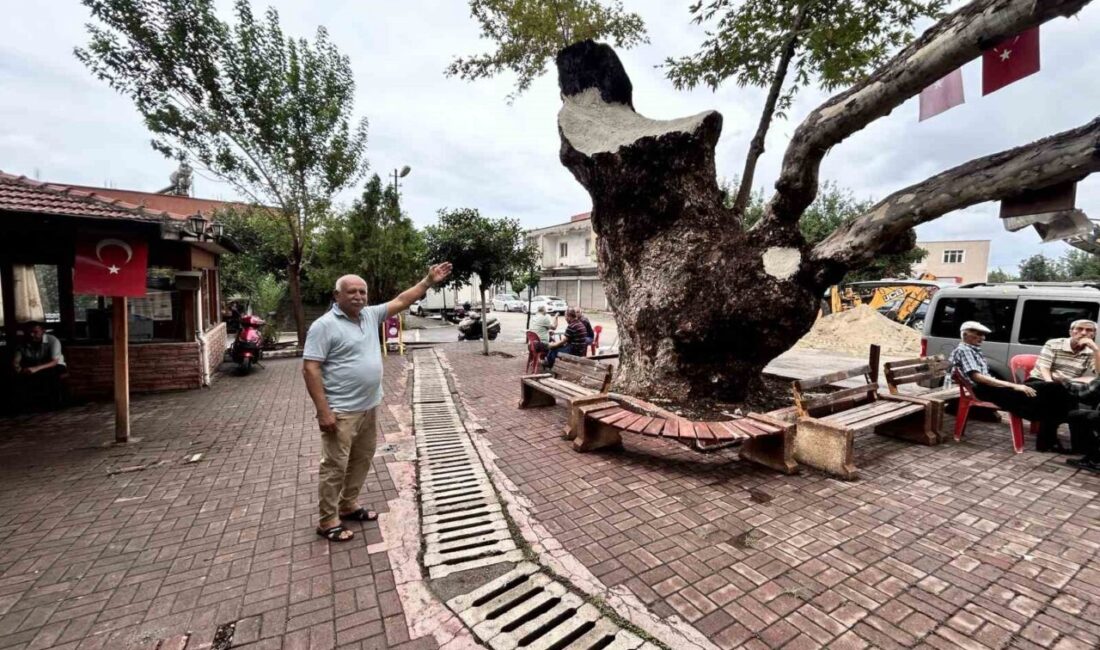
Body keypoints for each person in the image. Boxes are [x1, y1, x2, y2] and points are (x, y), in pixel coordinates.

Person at [303, 263, 452, 542]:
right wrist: (323, 412)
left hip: (369, 406)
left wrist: (428, 281)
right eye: (351, 291)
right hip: (341, 411)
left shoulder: (370, 315)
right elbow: (310, 368)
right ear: (337, 296)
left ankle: (348, 505)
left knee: (361, 459)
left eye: (362, 292)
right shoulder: (324, 326)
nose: (358, 296)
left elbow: (402, 300)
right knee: (335, 466)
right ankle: (327, 520)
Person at [949, 320, 1075, 450]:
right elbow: (978, 377)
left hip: (990, 388)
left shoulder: (972, 349)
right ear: (965, 334)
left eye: (983, 335)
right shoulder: (964, 350)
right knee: (1054, 390)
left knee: (1052, 395)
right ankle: (1052, 437)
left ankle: (1047, 439)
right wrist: (1014, 386)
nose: (983, 338)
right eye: (979, 334)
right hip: (984, 390)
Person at [1026, 319, 1099, 450]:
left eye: (1089, 330)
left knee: (1076, 407)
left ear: (1093, 334)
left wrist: (1096, 350)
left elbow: (1099, 373)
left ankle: (1077, 445)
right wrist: (1051, 384)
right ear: (1071, 332)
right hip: (1040, 381)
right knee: (1057, 398)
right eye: (1079, 329)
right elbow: (1044, 368)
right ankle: (1049, 442)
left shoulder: (1090, 351)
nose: (1083, 333)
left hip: (1064, 386)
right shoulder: (1054, 343)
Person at [13, 322, 66, 407]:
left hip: (54, 365)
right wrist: (20, 371)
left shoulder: (52, 340)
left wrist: (36, 368)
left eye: (35, 332)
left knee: (49, 374)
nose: (31, 335)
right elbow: (16, 361)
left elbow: (54, 362)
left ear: (43, 331)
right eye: (29, 332)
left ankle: (54, 403)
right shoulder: (22, 343)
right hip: (35, 365)